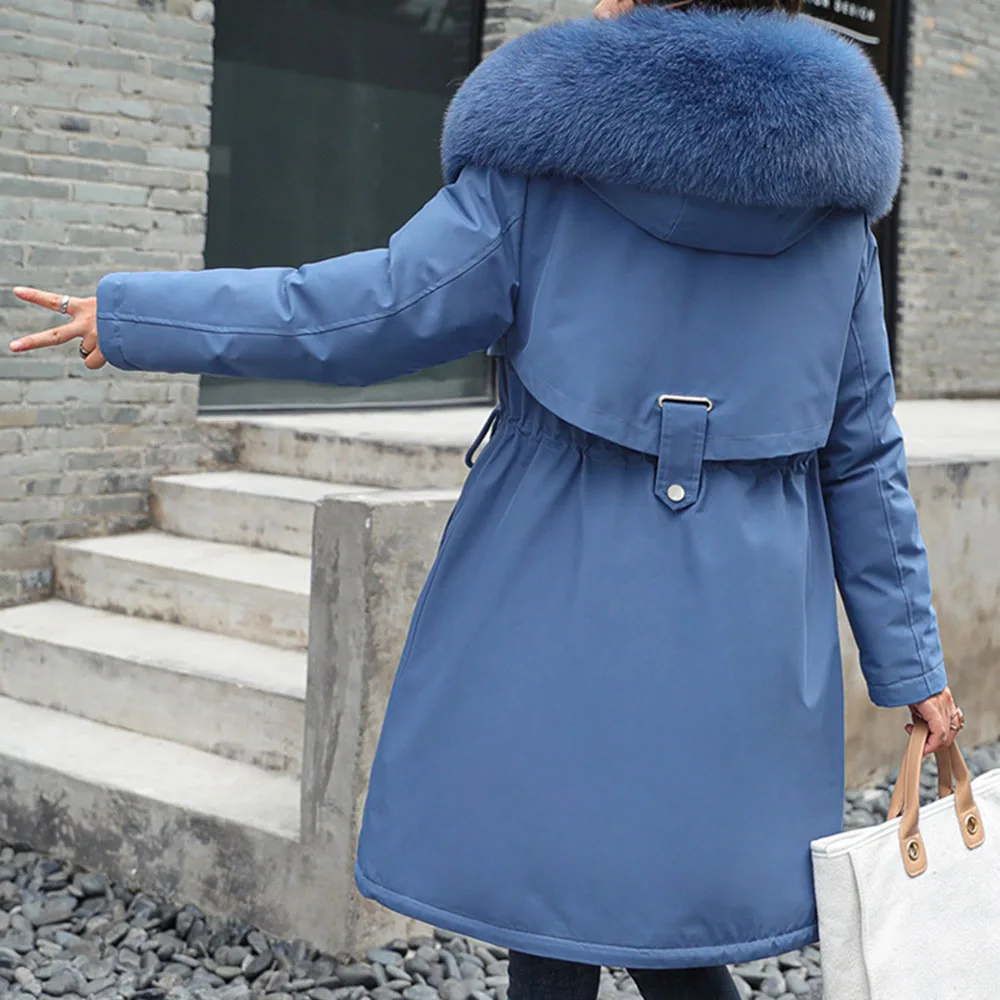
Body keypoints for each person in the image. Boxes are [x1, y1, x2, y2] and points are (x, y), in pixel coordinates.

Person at [9, 0, 966, 997]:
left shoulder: (540, 172)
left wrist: (136, 315)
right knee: (674, 919)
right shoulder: (836, 223)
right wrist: (914, 670)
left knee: (542, 889)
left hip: (548, 578)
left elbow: (360, 311)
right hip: (745, 613)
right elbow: (863, 459)